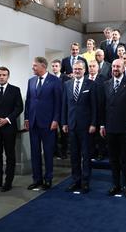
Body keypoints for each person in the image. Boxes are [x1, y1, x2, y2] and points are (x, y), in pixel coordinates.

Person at [100, 59, 126, 198]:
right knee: (113, 160)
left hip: (125, 128)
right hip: (110, 128)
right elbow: (102, 107)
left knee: (125, 160)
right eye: (114, 66)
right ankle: (115, 185)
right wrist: (102, 125)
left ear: (123, 68)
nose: (115, 68)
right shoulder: (106, 84)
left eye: (118, 66)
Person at [25, 57, 62, 190]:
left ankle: (48, 179)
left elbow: (58, 102)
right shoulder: (31, 81)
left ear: (43, 66)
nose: (33, 68)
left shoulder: (55, 81)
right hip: (33, 122)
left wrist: (56, 120)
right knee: (35, 152)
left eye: (35, 65)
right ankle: (37, 179)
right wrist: (27, 118)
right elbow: (28, 101)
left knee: (47, 152)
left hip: (48, 123)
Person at [62, 61, 97, 194]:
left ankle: (85, 182)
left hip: (86, 126)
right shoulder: (67, 84)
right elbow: (64, 105)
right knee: (74, 155)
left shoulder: (91, 84)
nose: (77, 71)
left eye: (79, 69)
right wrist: (64, 123)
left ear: (84, 70)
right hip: (71, 125)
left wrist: (94, 123)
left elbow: (94, 106)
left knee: (86, 155)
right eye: (75, 69)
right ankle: (76, 180)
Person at [52, 59, 69, 159]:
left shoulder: (66, 78)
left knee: (64, 132)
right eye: (53, 66)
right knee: (53, 132)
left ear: (60, 67)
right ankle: (55, 151)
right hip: (52, 109)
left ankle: (64, 152)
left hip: (63, 108)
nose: (54, 68)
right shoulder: (49, 78)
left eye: (56, 66)